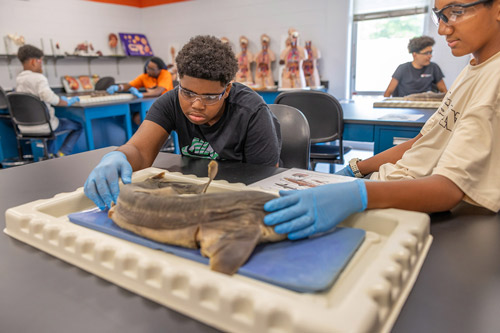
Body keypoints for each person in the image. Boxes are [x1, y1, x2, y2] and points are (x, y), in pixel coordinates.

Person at [264, 0, 500, 240]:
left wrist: (359, 194)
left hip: (402, 202)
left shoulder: (494, 80)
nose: (442, 29)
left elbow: (449, 189)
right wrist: (356, 169)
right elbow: (423, 141)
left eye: (456, 12)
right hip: (385, 183)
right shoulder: (473, 68)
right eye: (438, 16)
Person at [84, 35, 281, 210]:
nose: (196, 105)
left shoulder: (252, 112)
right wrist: (118, 157)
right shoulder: (170, 102)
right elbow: (140, 151)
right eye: (187, 92)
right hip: (198, 191)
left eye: (210, 97)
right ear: (179, 83)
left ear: (227, 90)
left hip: (241, 196)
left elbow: (263, 179)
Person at [16, 45, 82, 157]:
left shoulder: (19, 79)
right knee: (78, 126)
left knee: (52, 129)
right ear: (33, 62)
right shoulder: (39, 77)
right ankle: (62, 154)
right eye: (41, 61)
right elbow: (48, 96)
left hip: (24, 127)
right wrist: (66, 102)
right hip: (44, 126)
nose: (41, 65)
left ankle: (50, 156)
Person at [106, 56, 174, 124]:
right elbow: (129, 85)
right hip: (151, 105)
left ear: (159, 70)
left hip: (166, 106)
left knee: (144, 118)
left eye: (152, 69)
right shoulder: (145, 76)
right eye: (148, 68)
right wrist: (119, 87)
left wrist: (141, 94)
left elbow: (158, 91)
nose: (148, 70)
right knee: (136, 118)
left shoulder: (165, 74)